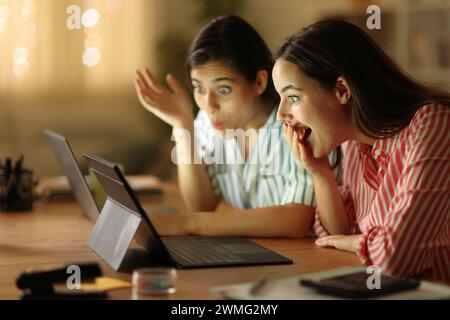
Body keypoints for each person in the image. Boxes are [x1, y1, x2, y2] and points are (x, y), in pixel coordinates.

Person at [273, 20, 450, 281]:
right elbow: (336, 234)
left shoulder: (433, 123)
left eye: (293, 98)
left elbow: (396, 257)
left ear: (342, 90)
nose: (281, 115)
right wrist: (321, 175)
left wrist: (355, 242)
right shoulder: (353, 143)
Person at [134, 15, 318, 238]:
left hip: (303, 258)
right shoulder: (208, 123)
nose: (209, 105)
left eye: (223, 90)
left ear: (259, 82)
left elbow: (296, 219)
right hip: (253, 251)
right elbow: (201, 205)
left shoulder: (295, 126)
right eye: (199, 89)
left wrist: (192, 224)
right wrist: (182, 124)